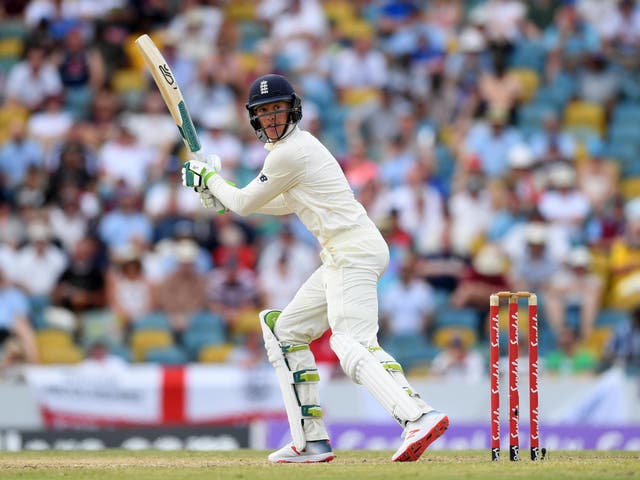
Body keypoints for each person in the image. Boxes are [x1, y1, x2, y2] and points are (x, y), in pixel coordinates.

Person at [181, 74, 448, 463]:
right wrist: (216, 195)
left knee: (349, 341)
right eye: (264, 112)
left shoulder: (291, 151)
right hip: (344, 251)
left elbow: (241, 203)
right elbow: (263, 203)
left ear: (294, 110)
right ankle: (310, 442)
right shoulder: (291, 154)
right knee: (284, 332)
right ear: (254, 119)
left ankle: (418, 415)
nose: (272, 118)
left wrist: (209, 179)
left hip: (350, 250)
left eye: (278, 109)